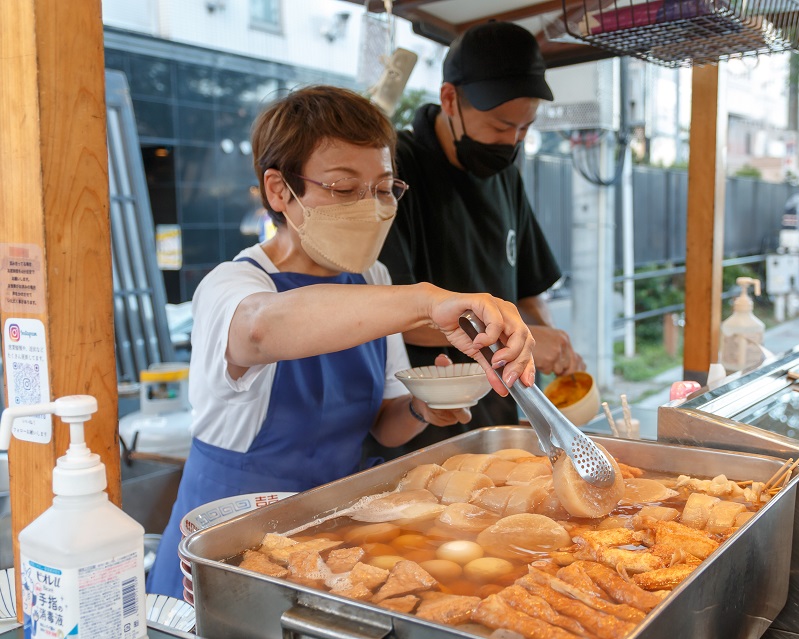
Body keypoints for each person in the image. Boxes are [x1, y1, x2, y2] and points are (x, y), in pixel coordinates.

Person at [147, 85, 536, 599]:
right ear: (280, 191)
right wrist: (424, 299)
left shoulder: (371, 278)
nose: (371, 208)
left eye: (381, 189)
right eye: (342, 187)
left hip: (332, 541)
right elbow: (263, 327)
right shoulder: (234, 285)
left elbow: (382, 421)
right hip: (228, 553)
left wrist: (422, 410)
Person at [373, 21, 584, 458]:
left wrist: (546, 345)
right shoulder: (393, 173)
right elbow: (392, 314)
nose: (512, 142)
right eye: (501, 126)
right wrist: (516, 337)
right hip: (426, 423)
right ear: (450, 99)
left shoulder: (505, 172)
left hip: (502, 416)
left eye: (525, 129)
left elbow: (526, 289)